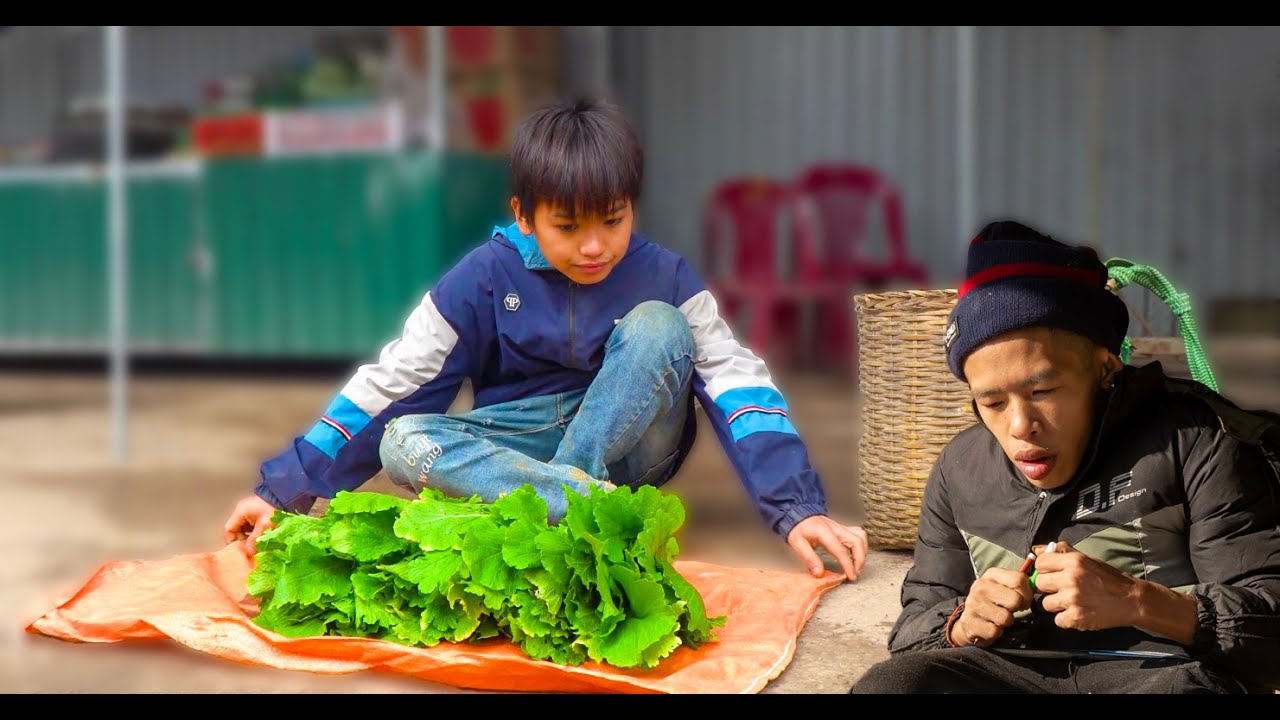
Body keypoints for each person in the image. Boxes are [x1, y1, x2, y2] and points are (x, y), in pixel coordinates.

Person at [223, 97, 868, 581]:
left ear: (631, 206)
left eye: (612, 220)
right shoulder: (481, 278)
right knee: (404, 439)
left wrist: (797, 507)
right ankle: (580, 504)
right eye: (568, 226)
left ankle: (561, 497)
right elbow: (394, 382)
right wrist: (283, 490)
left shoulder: (666, 277)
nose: (594, 247)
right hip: (520, 442)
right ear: (523, 216)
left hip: (635, 447)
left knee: (659, 325)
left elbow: (738, 386)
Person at [849, 220, 1280, 694]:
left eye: (1043, 391)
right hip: (1008, 673)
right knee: (895, 684)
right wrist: (960, 623)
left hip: (1159, 675)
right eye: (992, 402)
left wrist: (1139, 601)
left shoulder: (1195, 442)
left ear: (1105, 367)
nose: (1020, 426)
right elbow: (912, 631)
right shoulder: (960, 468)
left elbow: (1270, 636)